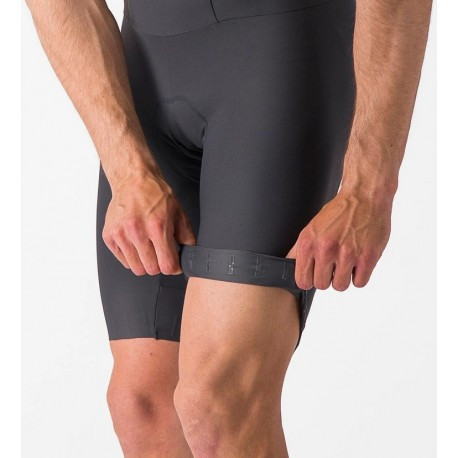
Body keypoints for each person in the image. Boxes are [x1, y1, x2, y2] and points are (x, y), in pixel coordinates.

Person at [25, 0, 432, 456]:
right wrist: (128, 171)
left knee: (220, 404)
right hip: (145, 63)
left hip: (276, 54)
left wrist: (369, 187)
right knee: (144, 406)